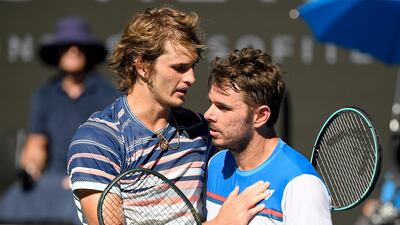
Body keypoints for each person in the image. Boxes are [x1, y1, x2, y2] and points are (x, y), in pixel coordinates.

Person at [67, 7, 269, 225]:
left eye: (192, 67)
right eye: (179, 67)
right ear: (143, 65)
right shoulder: (97, 140)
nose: (191, 78)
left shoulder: (200, 129)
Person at [0, 16, 120, 225]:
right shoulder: (44, 95)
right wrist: (31, 168)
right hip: (54, 179)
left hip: (94, 176)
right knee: (11, 205)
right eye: (66, 46)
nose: (73, 50)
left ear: (87, 51)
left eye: (78, 46)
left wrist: (84, 174)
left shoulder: (108, 93)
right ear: (58, 52)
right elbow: (37, 143)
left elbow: (115, 144)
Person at [204, 48, 332, 225]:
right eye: (211, 103)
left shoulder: (303, 186)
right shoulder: (216, 164)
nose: (208, 114)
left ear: (261, 116)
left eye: (223, 108)